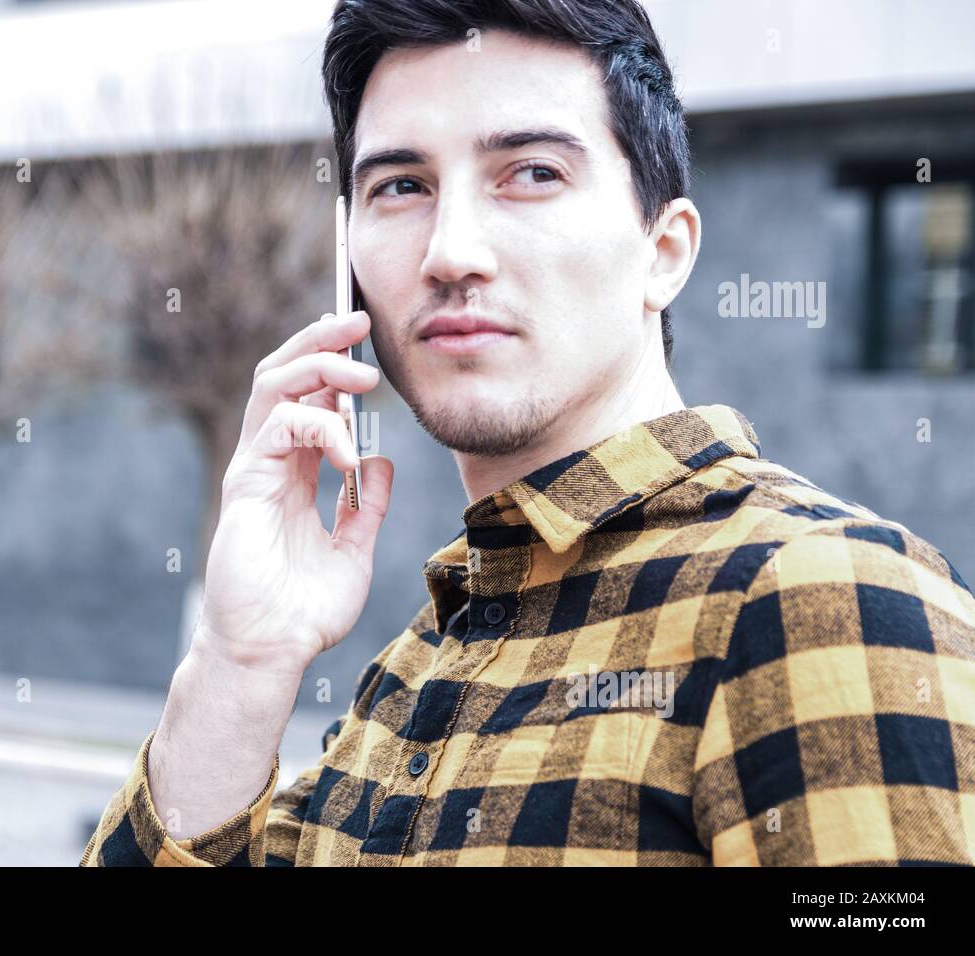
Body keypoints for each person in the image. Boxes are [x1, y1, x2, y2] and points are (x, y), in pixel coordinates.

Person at [81, 0, 975, 866]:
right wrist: (241, 660)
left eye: (533, 172)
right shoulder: (407, 678)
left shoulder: (821, 598)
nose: (450, 250)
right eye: (402, 187)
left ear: (663, 252)